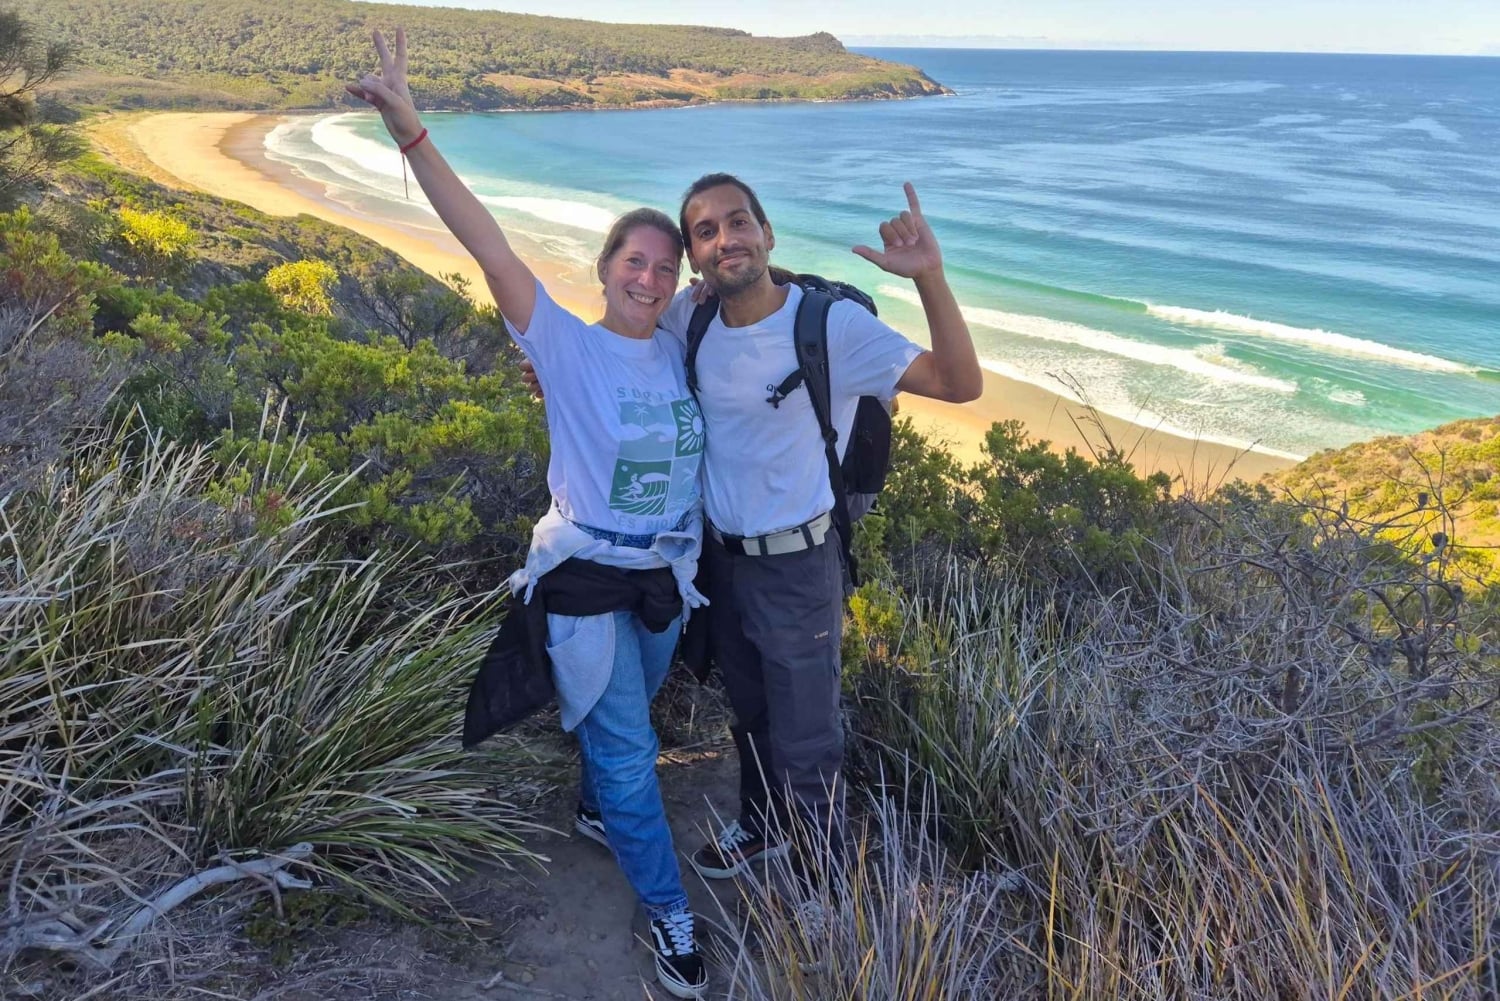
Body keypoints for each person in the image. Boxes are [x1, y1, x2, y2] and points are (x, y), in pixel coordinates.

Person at [348, 29, 709, 999]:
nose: (648, 277)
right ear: (604, 268)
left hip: (666, 577)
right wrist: (409, 124)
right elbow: (487, 239)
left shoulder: (681, 346)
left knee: (629, 723)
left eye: (663, 268)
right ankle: (671, 912)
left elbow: (745, 309)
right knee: (633, 745)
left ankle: (597, 804)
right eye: (634, 261)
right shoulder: (561, 343)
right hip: (589, 578)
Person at [659, 174, 982, 891]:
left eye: (738, 221)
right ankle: (764, 826)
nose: (725, 239)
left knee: (808, 741)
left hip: (800, 567)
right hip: (723, 561)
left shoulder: (829, 325)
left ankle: (824, 886)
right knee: (750, 716)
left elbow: (961, 383)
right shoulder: (694, 319)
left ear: (768, 234)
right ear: (695, 258)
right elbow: (628, 343)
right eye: (705, 231)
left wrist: (931, 276)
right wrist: (552, 371)